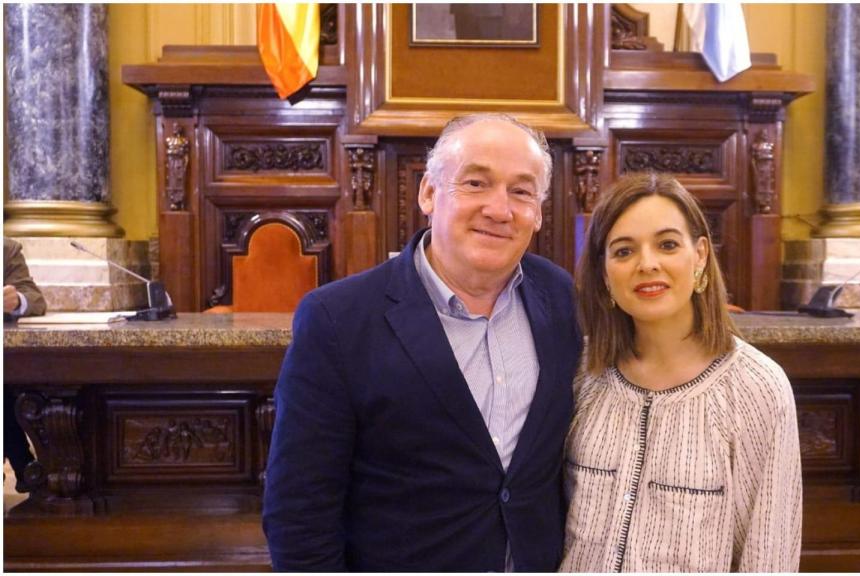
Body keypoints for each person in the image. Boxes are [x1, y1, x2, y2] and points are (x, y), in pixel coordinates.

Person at [263, 114, 582, 571]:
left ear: (538, 213)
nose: (499, 209)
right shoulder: (338, 319)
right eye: (476, 183)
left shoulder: (558, 296)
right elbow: (299, 513)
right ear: (429, 193)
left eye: (521, 191)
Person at [561, 173, 802, 572]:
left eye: (668, 244)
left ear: (700, 255)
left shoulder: (757, 387)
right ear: (604, 274)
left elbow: (769, 556)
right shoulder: (580, 372)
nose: (647, 264)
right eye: (624, 251)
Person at [4, 237, 48, 493]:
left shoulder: (5, 249)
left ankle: (26, 467)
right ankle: (24, 464)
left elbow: (36, 300)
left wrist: (17, 301)